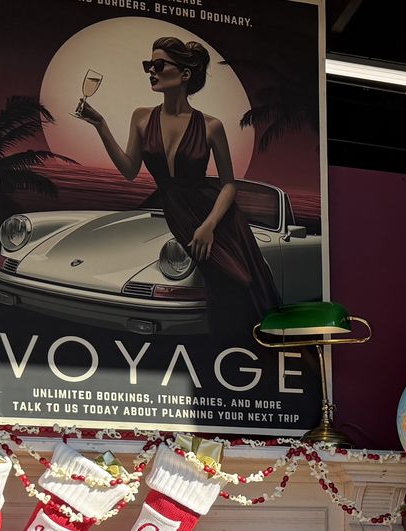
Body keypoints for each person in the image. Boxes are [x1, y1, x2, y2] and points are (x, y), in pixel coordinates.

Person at [77, 37, 279, 340]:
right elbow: (130, 170)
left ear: (185, 74)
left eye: (159, 65)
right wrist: (100, 124)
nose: (151, 71)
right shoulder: (142, 117)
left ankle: (249, 344)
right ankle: (221, 344)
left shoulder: (211, 126)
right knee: (221, 281)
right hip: (179, 212)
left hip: (216, 217)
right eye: (149, 66)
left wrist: (209, 226)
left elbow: (228, 185)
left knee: (245, 281)